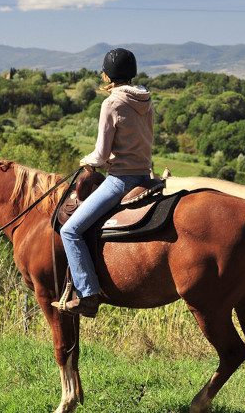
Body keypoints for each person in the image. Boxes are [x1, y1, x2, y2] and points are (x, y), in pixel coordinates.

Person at [54, 48, 154, 317]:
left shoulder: (111, 103)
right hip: (146, 175)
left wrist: (86, 161)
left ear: (108, 74)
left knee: (70, 231)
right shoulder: (146, 100)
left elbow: (100, 154)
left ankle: (88, 294)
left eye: (103, 71)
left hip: (121, 180)